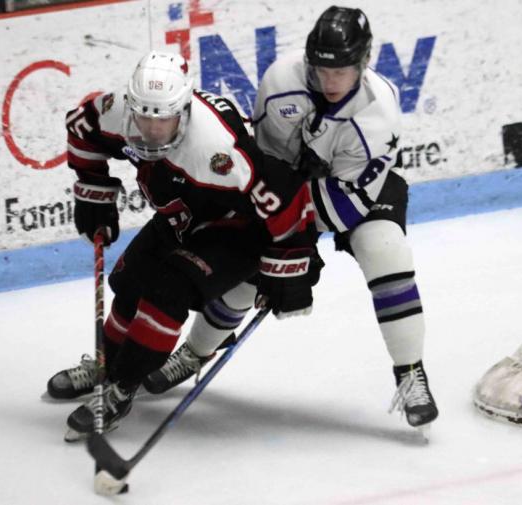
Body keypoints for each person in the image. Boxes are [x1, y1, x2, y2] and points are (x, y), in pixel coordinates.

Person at [144, 6, 438, 431]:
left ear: (364, 62)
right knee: (249, 268)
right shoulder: (282, 81)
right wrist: (282, 247)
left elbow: (344, 205)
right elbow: (263, 165)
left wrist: (297, 250)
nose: (330, 81)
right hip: (284, 187)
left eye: (342, 71)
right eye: (321, 69)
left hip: (351, 191)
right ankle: (196, 351)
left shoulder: (380, 114)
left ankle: (410, 372)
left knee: (385, 250)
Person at [46, 50, 320, 441]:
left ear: (185, 110)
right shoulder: (115, 111)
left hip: (237, 228)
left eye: (163, 120)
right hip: (180, 215)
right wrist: (93, 191)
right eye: (143, 117)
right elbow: (81, 126)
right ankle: (108, 363)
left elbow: (287, 199)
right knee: (130, 283)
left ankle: (122, 388)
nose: (151, 130)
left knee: (166, 294)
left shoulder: (220, 150)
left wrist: (292, 264)